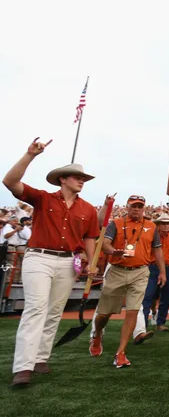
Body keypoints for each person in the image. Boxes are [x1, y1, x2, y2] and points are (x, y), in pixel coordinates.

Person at [4, 138, 100, 387]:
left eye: (83, 179)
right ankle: (23, 366)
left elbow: (90, 237)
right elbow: (10, 182)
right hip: (39, 257)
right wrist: (30, 155)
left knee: (55, 311)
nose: (82, 181)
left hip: (68, 262)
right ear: (63, 179)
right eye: (77, 177)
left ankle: (40, 359)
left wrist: (91, 261)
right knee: (36, 308)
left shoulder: (88, 209)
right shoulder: (43, 198)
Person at [90, 195, 167, 368]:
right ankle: (98, 333)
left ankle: (121, 353)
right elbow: (105, 243)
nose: (137, 209)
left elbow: (158, 250)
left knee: (132, 312)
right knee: (104, 313)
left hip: (140, 272)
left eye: (140, 206)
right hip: (117, 270)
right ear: (127, 206)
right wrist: (114, 252)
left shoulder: (151, 226)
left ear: (144, 208)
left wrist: (162, 272)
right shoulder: (116, 223)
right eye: (134, 206)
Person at [141, 213, 169, 331]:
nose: (166, 226)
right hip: (152, 267)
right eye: (163, 224)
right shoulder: (151, 236)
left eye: (168, 224)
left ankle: (160, 323)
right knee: (148, 296)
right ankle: (142, 325)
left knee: (166, 296)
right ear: (158, 225)